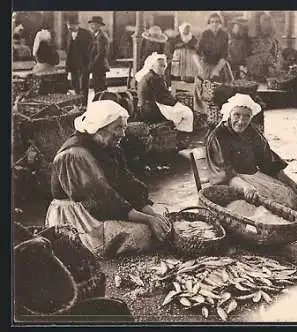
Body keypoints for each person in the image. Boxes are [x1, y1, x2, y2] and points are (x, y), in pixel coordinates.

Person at [45, 100, 172, 257]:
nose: (123, 134)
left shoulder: (109, 146)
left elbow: (127, 183)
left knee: (160, 224)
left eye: (124, 127)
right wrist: (148, 220)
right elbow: (101, 200)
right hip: (79, 213)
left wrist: (152, 214)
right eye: (118, 128)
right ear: (99, 128)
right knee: (144, 234)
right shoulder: (75, 154)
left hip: (104, 204)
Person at [206, 93, 297, 210]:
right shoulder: (218, 136)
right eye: (236, 115)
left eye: (246, 116)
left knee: (294, 198)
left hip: (252, 176)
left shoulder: (251, 132)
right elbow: (223, 175)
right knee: (269, 208)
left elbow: (269, 162)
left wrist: (292, 183)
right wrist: (245, 187)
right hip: (232, 183)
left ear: (251, 117)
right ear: (229, 114)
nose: (241, 121)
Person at [136, 52, 194, 132]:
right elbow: (162, 98)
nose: (163, 68)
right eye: (160, 66)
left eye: (164, 66)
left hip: (143, 108)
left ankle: (177, 131)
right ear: (152, 66)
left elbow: (161, 95)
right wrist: (177, 102)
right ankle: (182, 133)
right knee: (186, 112)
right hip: (151, 109)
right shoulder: (155, 78)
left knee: (180, 110)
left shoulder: (148, 76)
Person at [193, 12, 232, 127]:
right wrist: (200, 68)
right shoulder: (205, 34)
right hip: (206, 64)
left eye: (217, 22)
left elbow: (225, 55)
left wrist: (217, 69)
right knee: (203, 90)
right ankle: (203, 117)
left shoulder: (224, 34)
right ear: (209, 23)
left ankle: (221, 117)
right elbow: (196, 53)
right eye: (212, 22)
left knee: (223, 89)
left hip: (220, 65)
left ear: (221, 23)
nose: (215, 24)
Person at [246, 12, 282, 82]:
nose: (266, 24)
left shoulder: (274, 40)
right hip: (255, 76)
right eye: (264, 21)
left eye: (267, 21)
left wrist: (275, 65)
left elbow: (277, 57)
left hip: (270, 76)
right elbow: (249, 60)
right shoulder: (252, 39)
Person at [65, 17, 93, 105]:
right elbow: (68, 51)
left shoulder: (86, 34)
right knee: (75, 85)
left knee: (83, 86)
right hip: (73, 65)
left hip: (84, 65)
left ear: (76, 25)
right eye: (68, 25)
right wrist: (68, 65)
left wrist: (88, 64)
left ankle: (84, 105)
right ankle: (77, 103)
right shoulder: (69, 34)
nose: (69, 27)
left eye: (71, 25)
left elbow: (90, 50)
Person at [88, 16, 110, 94]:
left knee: (100, 86)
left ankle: (103, 101)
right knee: (97, 85)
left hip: (99, 65)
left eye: (94, 24)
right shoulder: (95, 35)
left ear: (99, 25)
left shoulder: (101, 36)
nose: (92, 26)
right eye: (91, 24)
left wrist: (92, 64)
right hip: (97, 65)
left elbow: (101, 53)